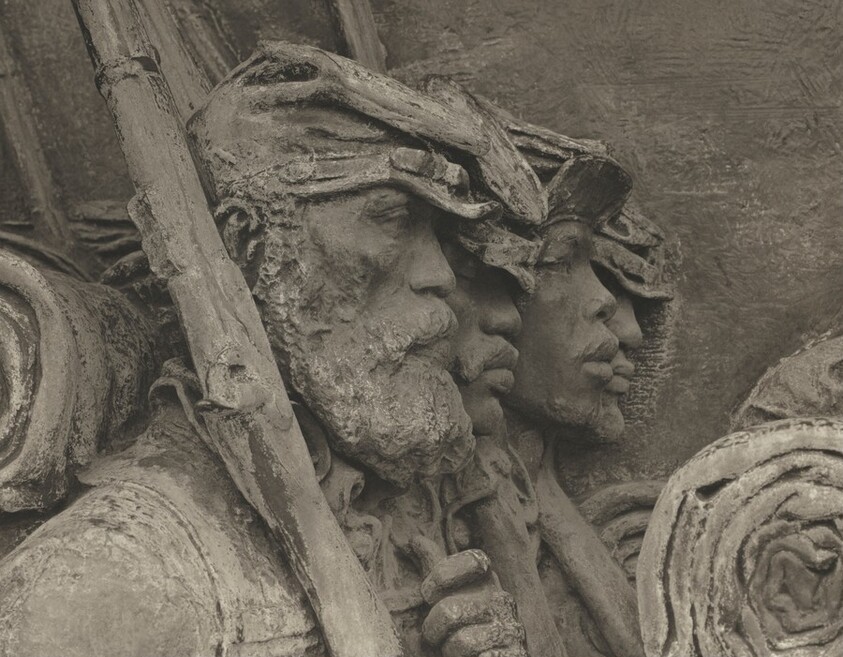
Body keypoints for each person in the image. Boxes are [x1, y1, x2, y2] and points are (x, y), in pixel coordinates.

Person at [0, 43, 545, 657]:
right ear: (252, 251)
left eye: (438, 236)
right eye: (393, 220)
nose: (439, 274)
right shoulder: (110, 586)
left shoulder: (396, 528)